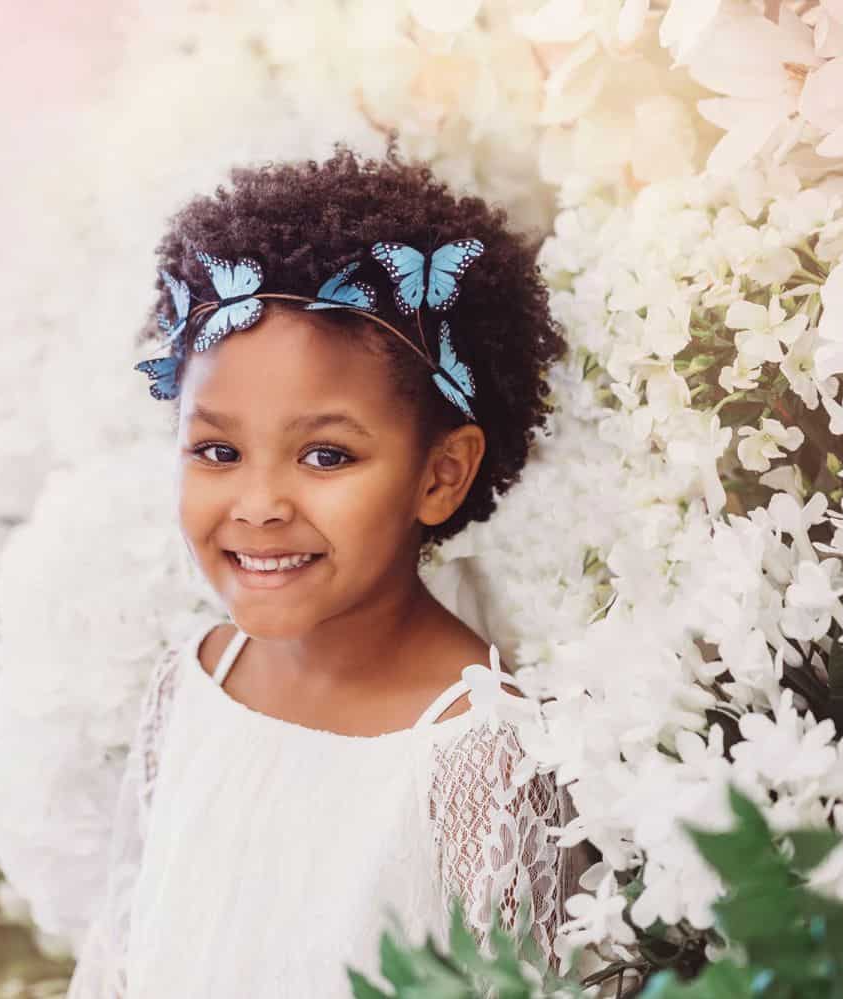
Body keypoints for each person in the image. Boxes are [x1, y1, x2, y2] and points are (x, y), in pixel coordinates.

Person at [67, 145, 583, 997]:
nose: (260, 502)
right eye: (218, 449)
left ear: (439, 473)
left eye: (326, 454)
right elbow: (123, 957)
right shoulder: (193, 683)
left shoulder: (480, 759)